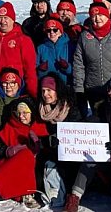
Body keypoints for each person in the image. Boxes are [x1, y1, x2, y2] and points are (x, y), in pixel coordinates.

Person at [63, 71, 111, 212]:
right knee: (90, 159)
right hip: (107, 153)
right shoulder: (105, 107)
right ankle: (74, 197)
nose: (109, 92)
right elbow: (97, 125)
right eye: (109, 89)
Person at [73, 0, 111, 118]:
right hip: (93, 89)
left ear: (107, 15)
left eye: (101, 14)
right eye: (94, 15)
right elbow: (79, 64)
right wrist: (79, 89)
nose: (97, 19)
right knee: (98, 124)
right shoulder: (85, 37)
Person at [0, 97, 48, 209]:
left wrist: (40, 146)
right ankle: (22, 192)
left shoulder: (40, 126)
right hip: (12, 165)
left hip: (36, 169)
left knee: (28, 156)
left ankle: (26, 192)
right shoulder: (9, 126)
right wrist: (7, 150)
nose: (21, 116)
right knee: (25, 155)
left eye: (25, 113)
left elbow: (49, 149)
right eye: (18, 113)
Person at [36, 73, 82, 209]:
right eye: (43, 91)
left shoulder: (70, 107)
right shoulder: (41, 109)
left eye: (49, 90)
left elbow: (77, 131)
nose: (45, 94)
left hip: (70, 152)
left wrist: (61, 138)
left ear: (57, 91)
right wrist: (48, 140)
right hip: (51, 150)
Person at [0, 2, 39, 98]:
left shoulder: (23, 39)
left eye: (6, 18)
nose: (3, 21)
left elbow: (30, 69)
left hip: (15, 90)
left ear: (13, 20)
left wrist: (32, 93)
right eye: (0, 18)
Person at [36, 13, 73, 82]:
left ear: (60, 31)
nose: (52, 32)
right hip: (47, 86)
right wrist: (41, 70)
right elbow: (35, 71)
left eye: (55, 30)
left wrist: (67, 67)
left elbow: (77, 70)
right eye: (48, 30)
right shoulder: (40, 48)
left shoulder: (70, 46)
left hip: (66, 86)